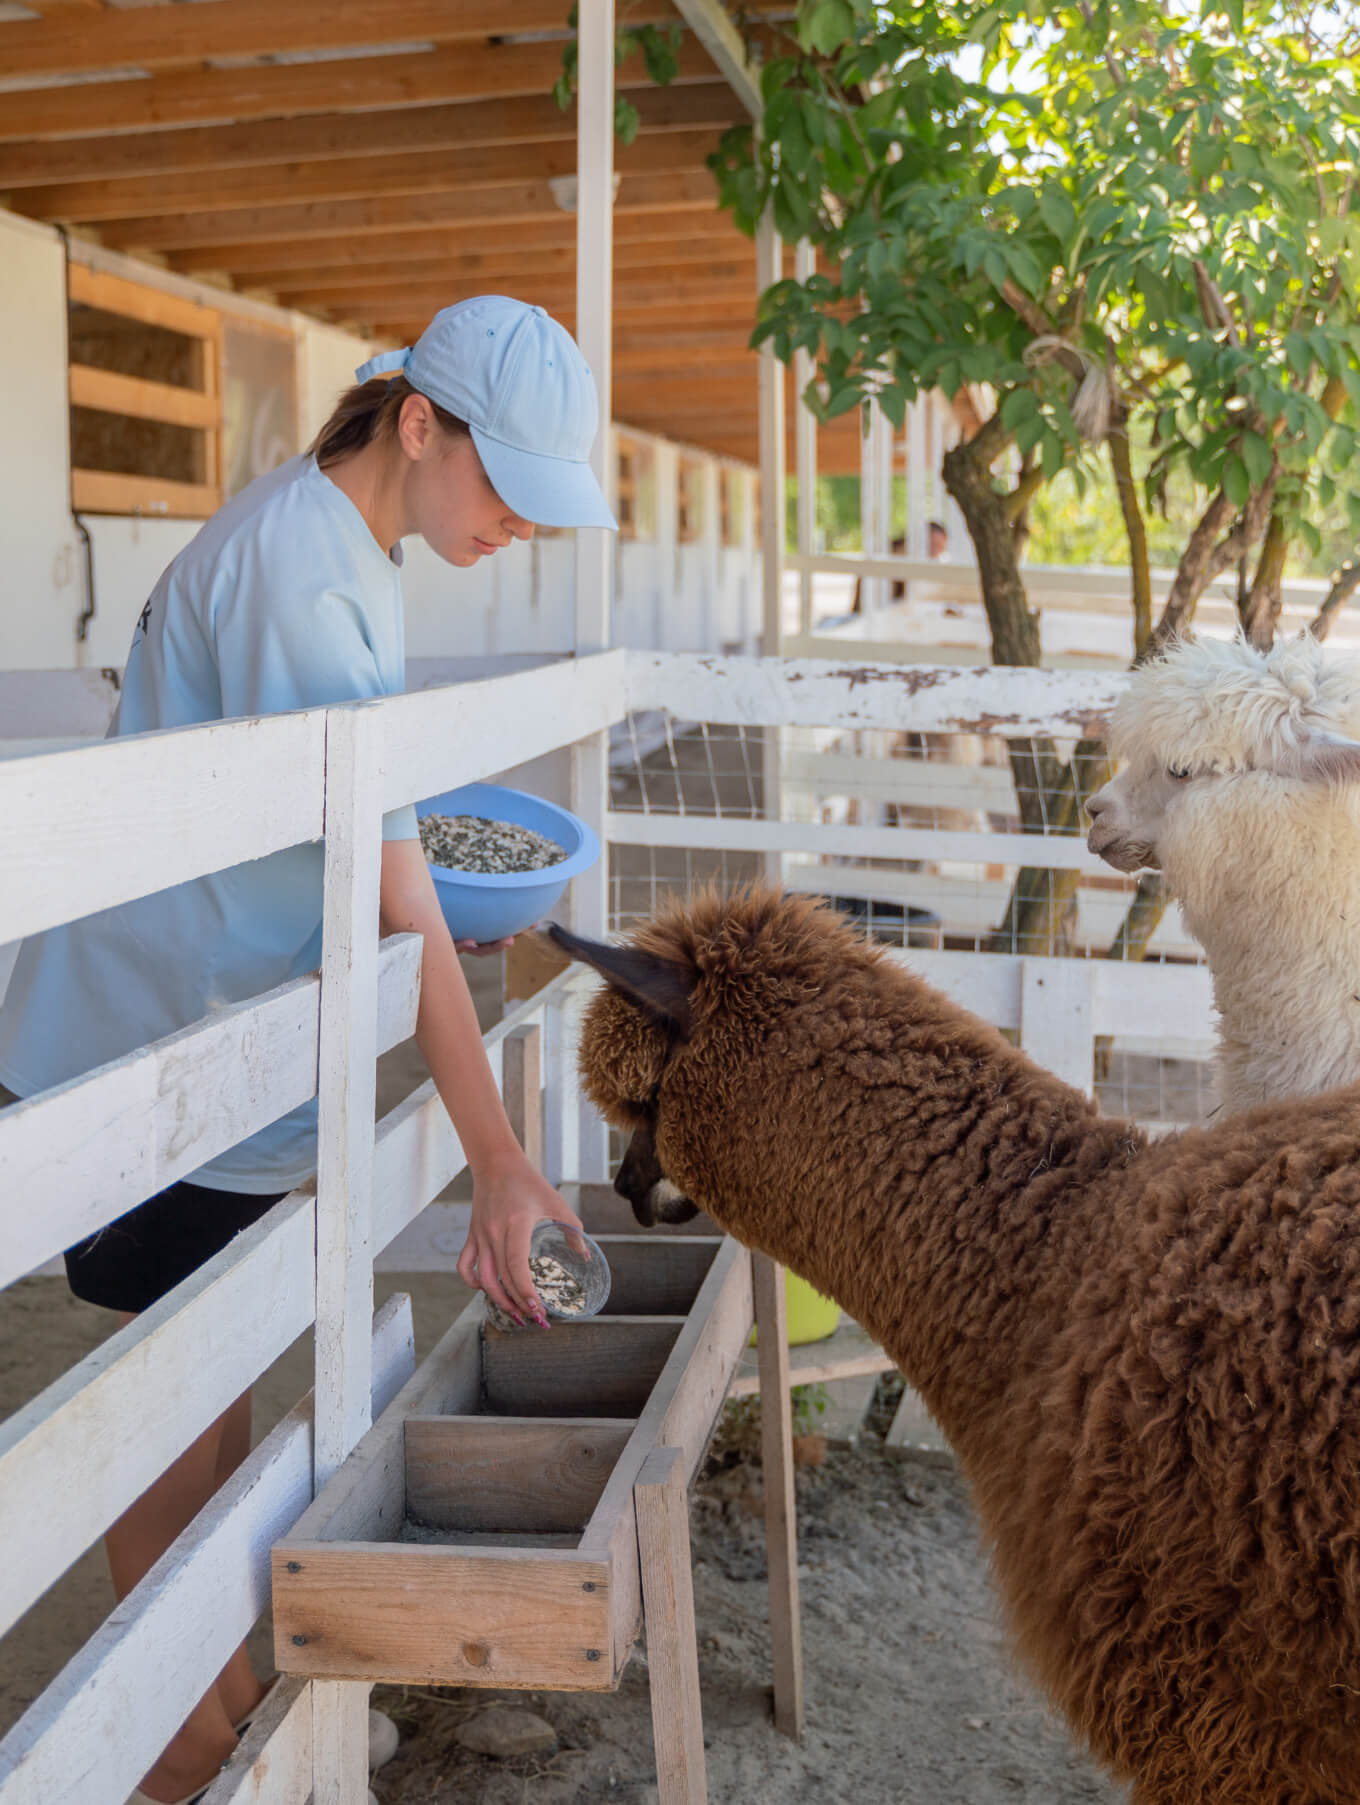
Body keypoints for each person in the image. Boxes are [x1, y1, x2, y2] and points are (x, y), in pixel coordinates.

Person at [0, 296, 617, 1804]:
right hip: (153, 1042)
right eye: (509, 487)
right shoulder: (307, 575)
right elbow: (397, 893)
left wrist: (422, 913)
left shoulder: (331, 539)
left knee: (209, 1408)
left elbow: (362, 854)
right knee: (171, 1423)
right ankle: (186, 1754)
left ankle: (222, 1717)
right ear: (420, 425)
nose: (521, 525)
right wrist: (497, 1160)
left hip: (204, 1020)